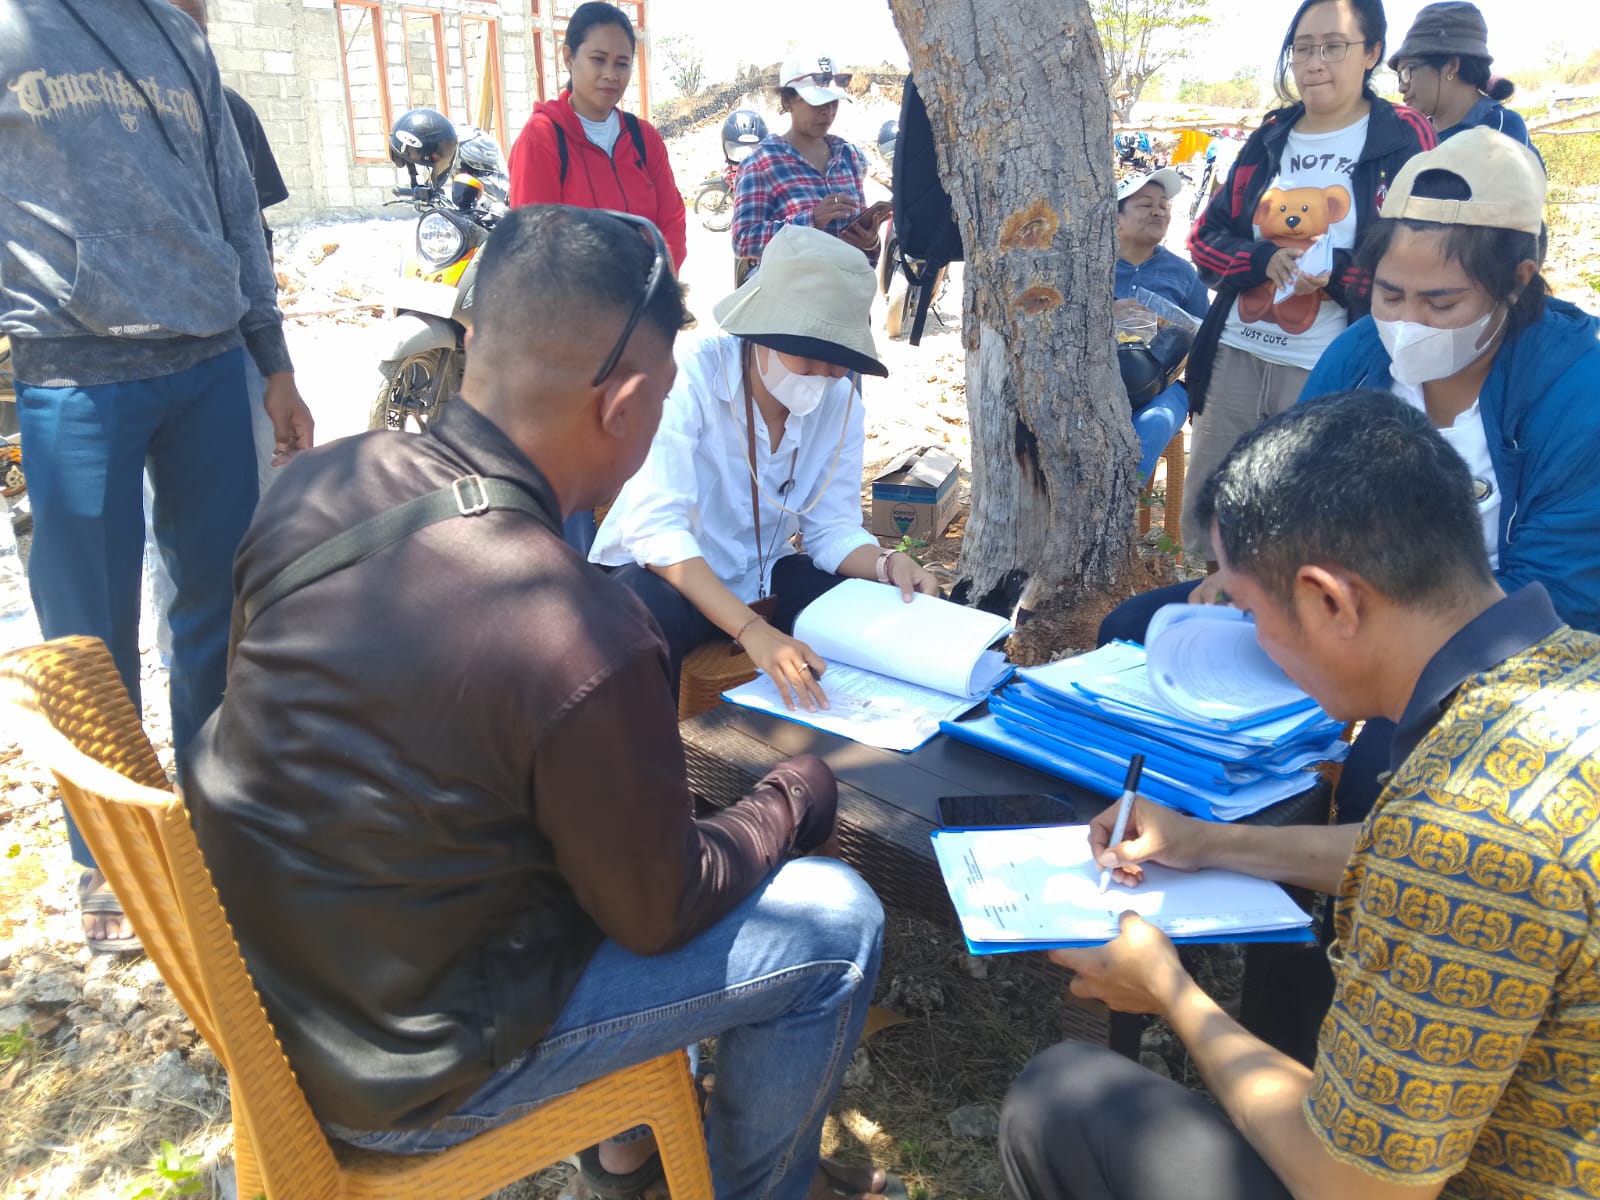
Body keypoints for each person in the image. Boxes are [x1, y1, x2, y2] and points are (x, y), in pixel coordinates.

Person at [186, 206, 891, 1200]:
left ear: (476, 341)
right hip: (419, 1070)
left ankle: (626, 1150)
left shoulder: (322, 482)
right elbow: (662, 909)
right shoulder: (579, 632)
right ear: (630, 402)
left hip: (278, 999)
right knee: (834, 923)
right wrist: (794, 796)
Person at [1000, 389, 1600, 1200]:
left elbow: (1358, 1187)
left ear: (1328, 600)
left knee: (1065, 1099)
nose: (1253, 645)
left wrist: (1170, 991)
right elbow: (1402, 855)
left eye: (1246, 612)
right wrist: (1210, 842)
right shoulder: (1567, 676)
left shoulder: (1459, 831)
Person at [0, 0, 314, 953]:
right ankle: (110, 863)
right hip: (71, 372)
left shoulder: (178, 36)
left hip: (209, 364)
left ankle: (215, 821)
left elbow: (235, 212)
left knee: (218, 612)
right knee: (85, 638)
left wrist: (275, 362)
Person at [1300, 127, 1600, 824]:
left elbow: (1556, 600)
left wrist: (1382, 649)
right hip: (1348, 604)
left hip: (1491, 629)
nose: (1407, 324)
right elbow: (1293, 484)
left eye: (1441, 304)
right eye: (1390, 293)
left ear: (1517, 283)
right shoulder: (1358, 354)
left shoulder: (1577, 391)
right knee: (1143, 627)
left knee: (1386, 771)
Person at [590, 223, 941, 705]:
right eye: (810, 355)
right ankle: (651, 768)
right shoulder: (690, 378)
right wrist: (753, 630)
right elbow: (657, 534)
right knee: (636, 617)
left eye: (838, 359)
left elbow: (829, 530)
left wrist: (887, 563)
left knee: (873, 614)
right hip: (674, 579)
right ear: (763, 333)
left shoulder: (840, 404)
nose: (824, 374)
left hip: (764, 576)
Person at [1180, 0, 1434, 559]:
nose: (1314, 62)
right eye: (1302, 47)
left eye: (1333, 46)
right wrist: (1258, 260)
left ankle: (1284, 636)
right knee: (1211, 514)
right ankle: (1199, 622)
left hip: (1331, 365)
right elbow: (1205, 237)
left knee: (1303, 521)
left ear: (1371, 53)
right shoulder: (1273, 133)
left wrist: (1339, 275)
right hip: (1236, 354)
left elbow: (1423, 251)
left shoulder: (1400, 135)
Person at [144, 0, 294, 670]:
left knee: (256, 509)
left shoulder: (231, 111)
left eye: (197, 16)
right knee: (169, 533)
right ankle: (188, 667)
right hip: (138, 358)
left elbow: (253, 240)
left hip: (237, 349)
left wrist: (275, 365)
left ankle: (253, 669)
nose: (187, 26)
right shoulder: (108, 115)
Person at [507, 0, 686, 554]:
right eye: (598, 60)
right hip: (572, 336)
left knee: (641, 449)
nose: (610, 75)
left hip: (637, 328)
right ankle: (571, 576)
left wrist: (655, 298)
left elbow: (672, 222)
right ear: (569, 58)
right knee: (573, 463)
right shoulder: (544, 137)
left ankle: (635, 568)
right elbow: (535, 241)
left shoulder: (642, 139)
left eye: (623, 63)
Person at [731, 53, 890, 285]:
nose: (827, 111)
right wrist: (810, 221)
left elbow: (865, 254)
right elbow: (743, 241)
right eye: (816, 102)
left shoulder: (850, 157)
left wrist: (870, 242)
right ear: (787, 100)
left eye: (833, 101)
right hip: (792, 307)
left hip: (848, 302)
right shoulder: (761, 164)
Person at [1112, 167, 1210, 480]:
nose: (1158, 212)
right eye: (1145, 205)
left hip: (1162, 387)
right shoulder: (1092, 266)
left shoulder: (1182, 272)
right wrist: (1105, 315)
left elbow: (1207, 339)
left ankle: (1124, 493)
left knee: (1156, 421)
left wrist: (1176, 326)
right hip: (1097, 385)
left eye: (1164, 206)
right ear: (1117, 219)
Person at [1390, 2, 1536, 150]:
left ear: (1451, 66)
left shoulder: (1499, 128)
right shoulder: (1414, 138)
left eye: (1407, 73)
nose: (1401, 87)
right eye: (1399, 77)